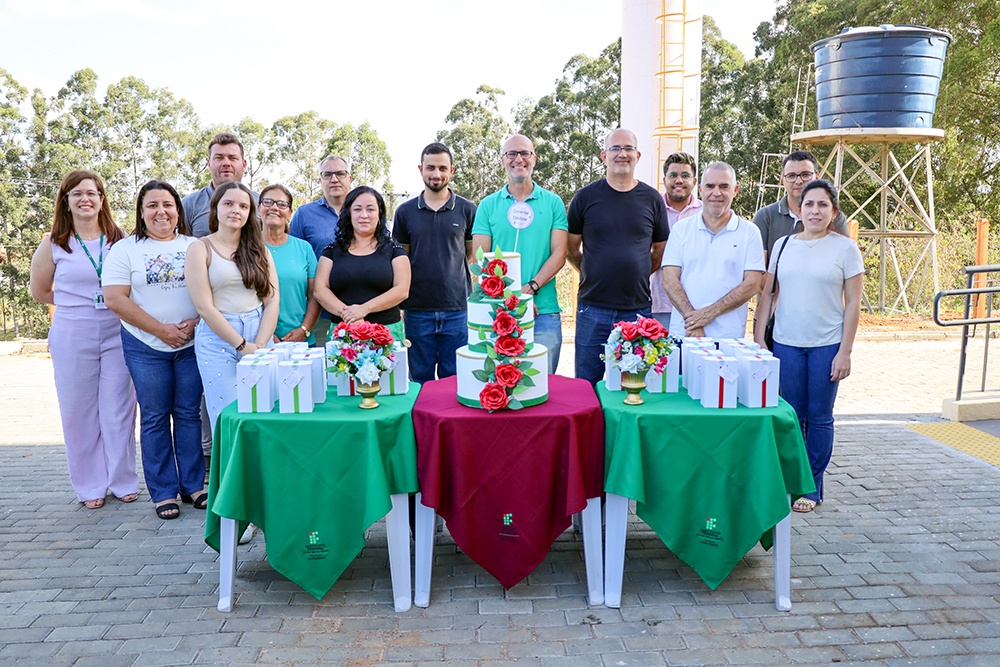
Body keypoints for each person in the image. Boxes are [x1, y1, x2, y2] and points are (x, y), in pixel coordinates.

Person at [29, 170, 139, 509]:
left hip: (118, 331)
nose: (84, 199)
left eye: (91, 193)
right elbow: (39, 291)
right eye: (76, 194)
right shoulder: (54, 243)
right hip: (72, 332)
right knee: (79, 411)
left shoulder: (119, 239)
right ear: (66, 201)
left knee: (119, 409)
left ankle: (122, 480)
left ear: (102, 199)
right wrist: (75, 302)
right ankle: (90, 485)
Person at [754, 179, 863, 513]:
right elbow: (768, 295)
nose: (815, 211)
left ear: (834, 211)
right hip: (785, 344)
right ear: (799, 210)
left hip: (826, 346)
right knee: (791, 417)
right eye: (809, 204)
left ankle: (812, 487)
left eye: (823, 205)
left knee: (818, 417)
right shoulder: (783, 245)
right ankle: (792, 480)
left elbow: (853, 303)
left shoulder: (846, 249)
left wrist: (845, 352)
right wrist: (758, 339)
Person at [103, 180, 205, 520]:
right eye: (152, 205)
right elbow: (114, 298)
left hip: (191, 344)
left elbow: (213, 290)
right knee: (155, 416)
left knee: (188, 414)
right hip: (145, 346)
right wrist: (161, 330)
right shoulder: (125, 249)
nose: (161, 212)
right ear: (141, 212)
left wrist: (194, 323)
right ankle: (163, 492)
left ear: (178, 210)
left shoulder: (195, 245)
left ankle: (193, 486)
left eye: (168, 204)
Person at [567, 128, 670, 386]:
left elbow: (659, 251)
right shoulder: (585, 197)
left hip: (637, 309)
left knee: (634, 383)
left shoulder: (652, 199)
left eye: (628, 149)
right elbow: (571, 249)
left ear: (638, 155)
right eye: (615, 148)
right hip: (592, 308)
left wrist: (637, 270)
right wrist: (593, 270)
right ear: (604, 156)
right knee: (586, 384)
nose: (622, 154)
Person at [181, 131, 260, 463]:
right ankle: (217, 469)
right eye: (219, 157)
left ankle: (256, 474)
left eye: (232, 157)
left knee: (259, 410)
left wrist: (259, 342)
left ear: (244, 163)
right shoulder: (189, 206)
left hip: (256, 326)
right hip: (214, 326)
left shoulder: (258, 202)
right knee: (217, 410)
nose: (226, 163)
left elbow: (270, 291)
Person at [184, 181, 279, 435]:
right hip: (218, 340)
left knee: (265, 415)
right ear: (215, 208)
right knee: (228, 418)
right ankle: (230, 463)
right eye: (228, 203)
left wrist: (259, 346)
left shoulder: (260, 250)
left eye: (243, 206)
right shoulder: (200, 248)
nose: (236, 210)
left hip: (259, 334)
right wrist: (241, 345)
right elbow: (204, 307)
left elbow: (272, 300)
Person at [472, 134, 567, 374]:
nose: (519, 159)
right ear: (502, 160)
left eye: (525, 153)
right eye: (511, 154)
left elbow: (559, 254)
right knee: (501, 381)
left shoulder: (553, 202)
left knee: (543, 381)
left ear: (534, 159)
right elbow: (481, 258)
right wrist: (512, 298)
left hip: (543, 311)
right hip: (499, 310)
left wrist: (530, 290)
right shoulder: (488, 205)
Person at [392, 142, 476, 383]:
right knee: (420, 379)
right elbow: (402, 259)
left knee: (456, 379)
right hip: (417, 311)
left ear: (452, 171)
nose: (436, 174)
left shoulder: (467, 210)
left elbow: (471, 254)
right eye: (430, 168)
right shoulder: (405, 212)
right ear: (421, 169)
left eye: (442, 168)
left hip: (458, 309)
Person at [661, 162, 765, 339]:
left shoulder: (750, 232)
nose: (716, 193)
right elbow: (669, 279)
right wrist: (693, 320)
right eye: (710, 186)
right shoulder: (681, 229)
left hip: (728, 338)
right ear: (700, 190)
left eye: (724, 186)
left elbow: (753, 284)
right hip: (685, 333)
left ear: (735, 190)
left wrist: (707, 315)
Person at [314, 186, 410, 342]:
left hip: (386, 334)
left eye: (370, 209)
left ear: (379, 214)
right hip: (343, 333)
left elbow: (402, 290)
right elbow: (320, 290)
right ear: (349, 213)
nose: (364, 215)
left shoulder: (394, 250)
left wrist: (364, 309)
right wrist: (350, 316)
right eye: (357, 209)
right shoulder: (331, 251)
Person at [290, 154, 353, 347]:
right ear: (320, 180)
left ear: (350, 178)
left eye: (340, 174)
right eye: (327, 174)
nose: (334, 179)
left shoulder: (364, 211)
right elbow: (295, 262)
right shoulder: (304, 214)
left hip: (359, 308)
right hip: (318, 312)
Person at [753, 150, 848, 259]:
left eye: (805, 175)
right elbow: (758, 265)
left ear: (817, 178)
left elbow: (843, 260)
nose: (798, 181)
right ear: (783, 180)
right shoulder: (765, 217)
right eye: (791, 176)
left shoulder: (834, 218)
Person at [260, 183, 319, 345]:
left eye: (281, 204)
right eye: (267, 202)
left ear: (290, 213)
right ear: (258, 209)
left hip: (302, 342)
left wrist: (304, 330)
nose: (274, 208)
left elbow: (315, 296)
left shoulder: (304, 248)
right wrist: (265, 334)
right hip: (259, 341)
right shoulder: (247, 249)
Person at [650, 152, 703, 330]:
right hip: (656, 303)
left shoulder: (706, 214)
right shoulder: (650, 210)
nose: (679, 180)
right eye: (673, 175)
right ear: (664, 180)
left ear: (694, 181)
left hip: (696, 305)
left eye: (685, 175)